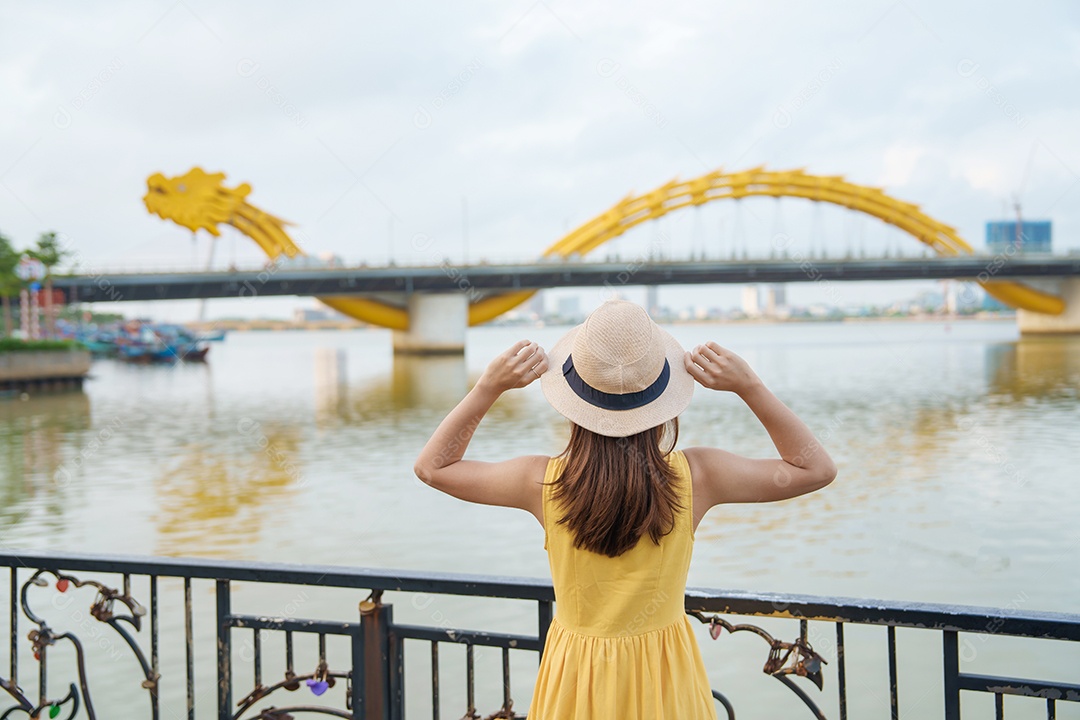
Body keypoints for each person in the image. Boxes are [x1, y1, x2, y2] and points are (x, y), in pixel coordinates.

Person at [414, 299, 837, 719]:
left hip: (577, 679)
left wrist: (488, 387)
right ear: (663, 400)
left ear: (574, 400)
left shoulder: (541, 482)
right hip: (666, 677)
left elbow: (433, 467)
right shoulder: (699, 476)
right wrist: (750, 386)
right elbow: (814, 469)